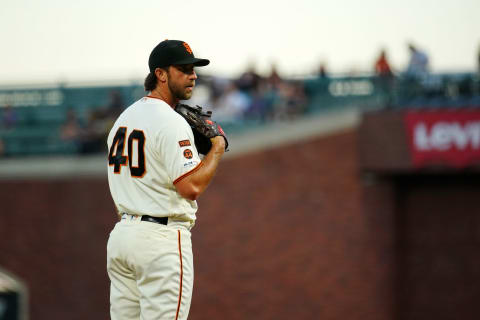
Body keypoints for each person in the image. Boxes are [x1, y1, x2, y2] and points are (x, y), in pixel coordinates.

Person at [106, 39, 226, 320]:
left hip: (123, 236)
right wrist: (217, 147)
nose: (193, 75)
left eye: (193, 69)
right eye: (184, 69)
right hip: (160, 241)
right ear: (160, 74)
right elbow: (191, 186)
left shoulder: (123, 119)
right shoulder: (171, 121)